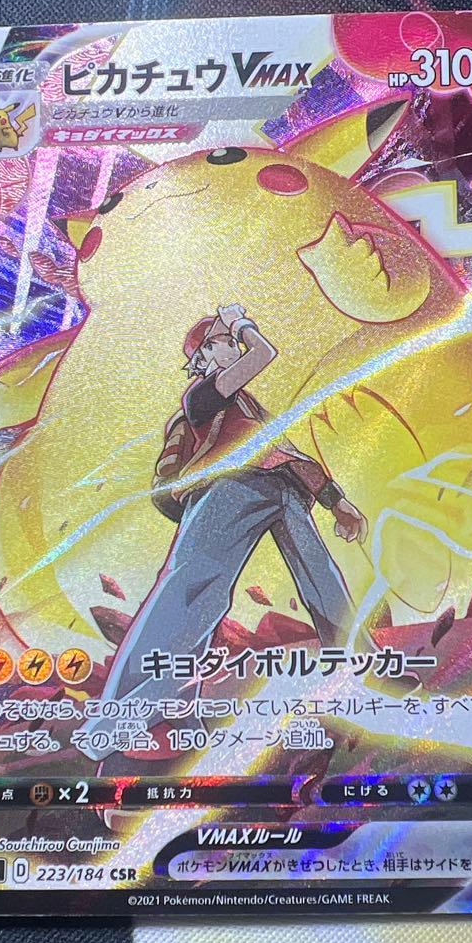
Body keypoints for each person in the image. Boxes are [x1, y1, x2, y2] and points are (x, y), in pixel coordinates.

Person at [80, 302, 368, 765]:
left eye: (230, 339)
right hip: (229, 490)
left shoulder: (250, 407)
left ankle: (364, 669)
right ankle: (115, 722)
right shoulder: (202, 397)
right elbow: (262, 353)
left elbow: (287, 452)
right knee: (192, 598)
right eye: (222, 341)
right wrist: (240, 322)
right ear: (203, 358)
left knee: (323, 579)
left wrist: (337, 501)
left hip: (281, 489)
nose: (233, 345)